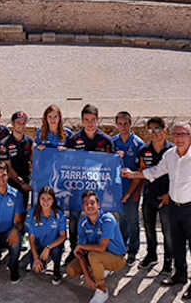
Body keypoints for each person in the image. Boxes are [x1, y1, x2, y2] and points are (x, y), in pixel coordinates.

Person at [123, 122, 191, 300]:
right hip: (174, 207)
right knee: (177, 244)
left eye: (183, 134)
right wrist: (133, 174)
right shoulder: (170, 155)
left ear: (189, 136)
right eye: (176, 134)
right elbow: (156, 171)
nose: (179, 138)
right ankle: (180, 274)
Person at [64, 104, 115, 262]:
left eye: (93, 120)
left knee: (96, 220)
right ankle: (74, 251)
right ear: (82, 120)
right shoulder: (73, 139)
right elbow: (65, 163)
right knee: (73, 220)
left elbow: (111, 166)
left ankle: (96, 252)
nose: (90, 123)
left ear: (97, 120)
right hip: (77, 189)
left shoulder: (106, 141)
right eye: (86, 120)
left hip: (97, 190)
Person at [65, 191, 127, 303]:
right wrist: (88, 278)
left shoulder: (108, 219)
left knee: (94, 256)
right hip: (95, 256)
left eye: (92, 202)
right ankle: (98, 270)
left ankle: (101, 290)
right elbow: (81, 253)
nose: (89, 205)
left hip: (116, 258)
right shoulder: (82, 222)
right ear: (82, 207)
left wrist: (80, 245)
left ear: (98, 205)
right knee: (71, 270)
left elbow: (102, 248)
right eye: (85, 203)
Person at [136, 117, 174, 274]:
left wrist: (169, 195)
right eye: (151, 130)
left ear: (164, 130)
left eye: (157, 129)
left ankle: (168, 260)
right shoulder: (143, 151)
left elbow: (179, 176)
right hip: (149, 196)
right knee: (149, 229)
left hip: (167, 198)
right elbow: (141, 173)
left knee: (168, 232)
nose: (154, 133)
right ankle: (151, 254)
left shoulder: (173, 150)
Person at [111, 111, 145, 265]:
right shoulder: (113, 142)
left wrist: (132, 192)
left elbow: (141, 171)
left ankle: (133, 251)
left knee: (133, 221)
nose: (123, 127)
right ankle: (122, 247)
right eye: (120, 124)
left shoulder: (138, 144)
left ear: (130, 123)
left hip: (133, 190)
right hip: (117, 190)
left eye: (126, 123)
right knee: (121, 220)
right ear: (116, 124)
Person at [25, 185, 67, 285]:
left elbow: (63, 236)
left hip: (53, 245)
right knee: (36, 269)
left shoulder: (59, 214)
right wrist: (36, 258)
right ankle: (38, 260)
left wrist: (48, 247)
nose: (46, 201)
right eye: (42, 198)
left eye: (49, 199)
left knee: (57, 250)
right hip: (39, 245)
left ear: (53, 200)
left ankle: (56, 271)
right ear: (38, 199)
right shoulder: (32, 213)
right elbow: (31, 237)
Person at [0, 110, 33, 211]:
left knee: (22, 212)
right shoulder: (4, 143)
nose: (21, 126)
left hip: (25, 182)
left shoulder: (29, 141)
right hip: (10, 183)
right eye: (18, 123)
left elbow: (34, 161)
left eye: (23, 123)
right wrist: (21, 183)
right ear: (13, 123)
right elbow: (7, 167)